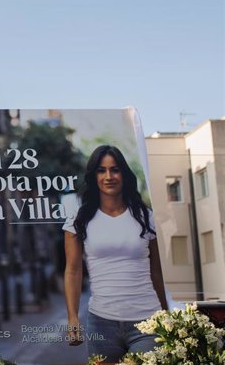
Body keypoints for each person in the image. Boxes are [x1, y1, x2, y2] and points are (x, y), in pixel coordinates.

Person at [63, 145, 168, 362]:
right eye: (102, 170)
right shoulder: (79, 220)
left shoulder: (145, 217)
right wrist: (73, 317)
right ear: (94, 176)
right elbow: (73, 271)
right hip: (101, 323)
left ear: (124, 174)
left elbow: (156, 272)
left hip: (147, 321)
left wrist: (167, 316)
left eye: (115, 170)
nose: (108, 176)